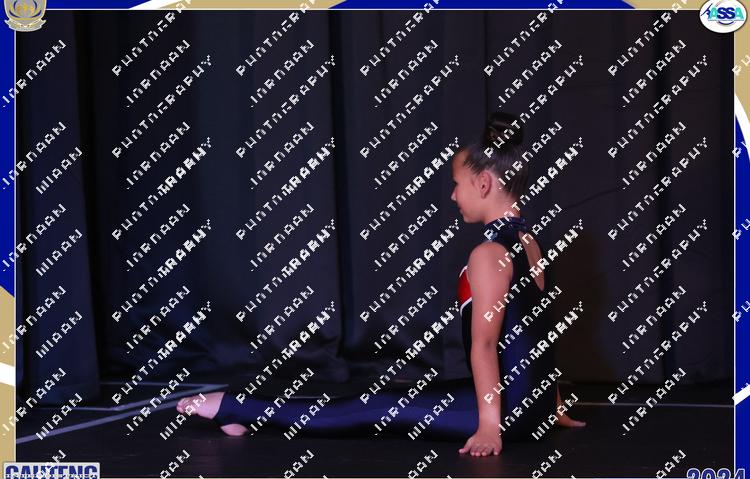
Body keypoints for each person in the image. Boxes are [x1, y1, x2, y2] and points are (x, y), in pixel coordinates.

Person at [175, 111, 585, 455]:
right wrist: (549, 406)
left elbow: (484, 345)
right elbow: (540, 334)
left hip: (507, 415)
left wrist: (491, 427)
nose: (452, 196)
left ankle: (233, 406)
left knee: (371, 406)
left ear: (483, 184)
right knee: (403, 396)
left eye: (456, 184)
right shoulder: (530, 243)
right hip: (530, 410)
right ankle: (242, 411)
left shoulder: (488, 255)